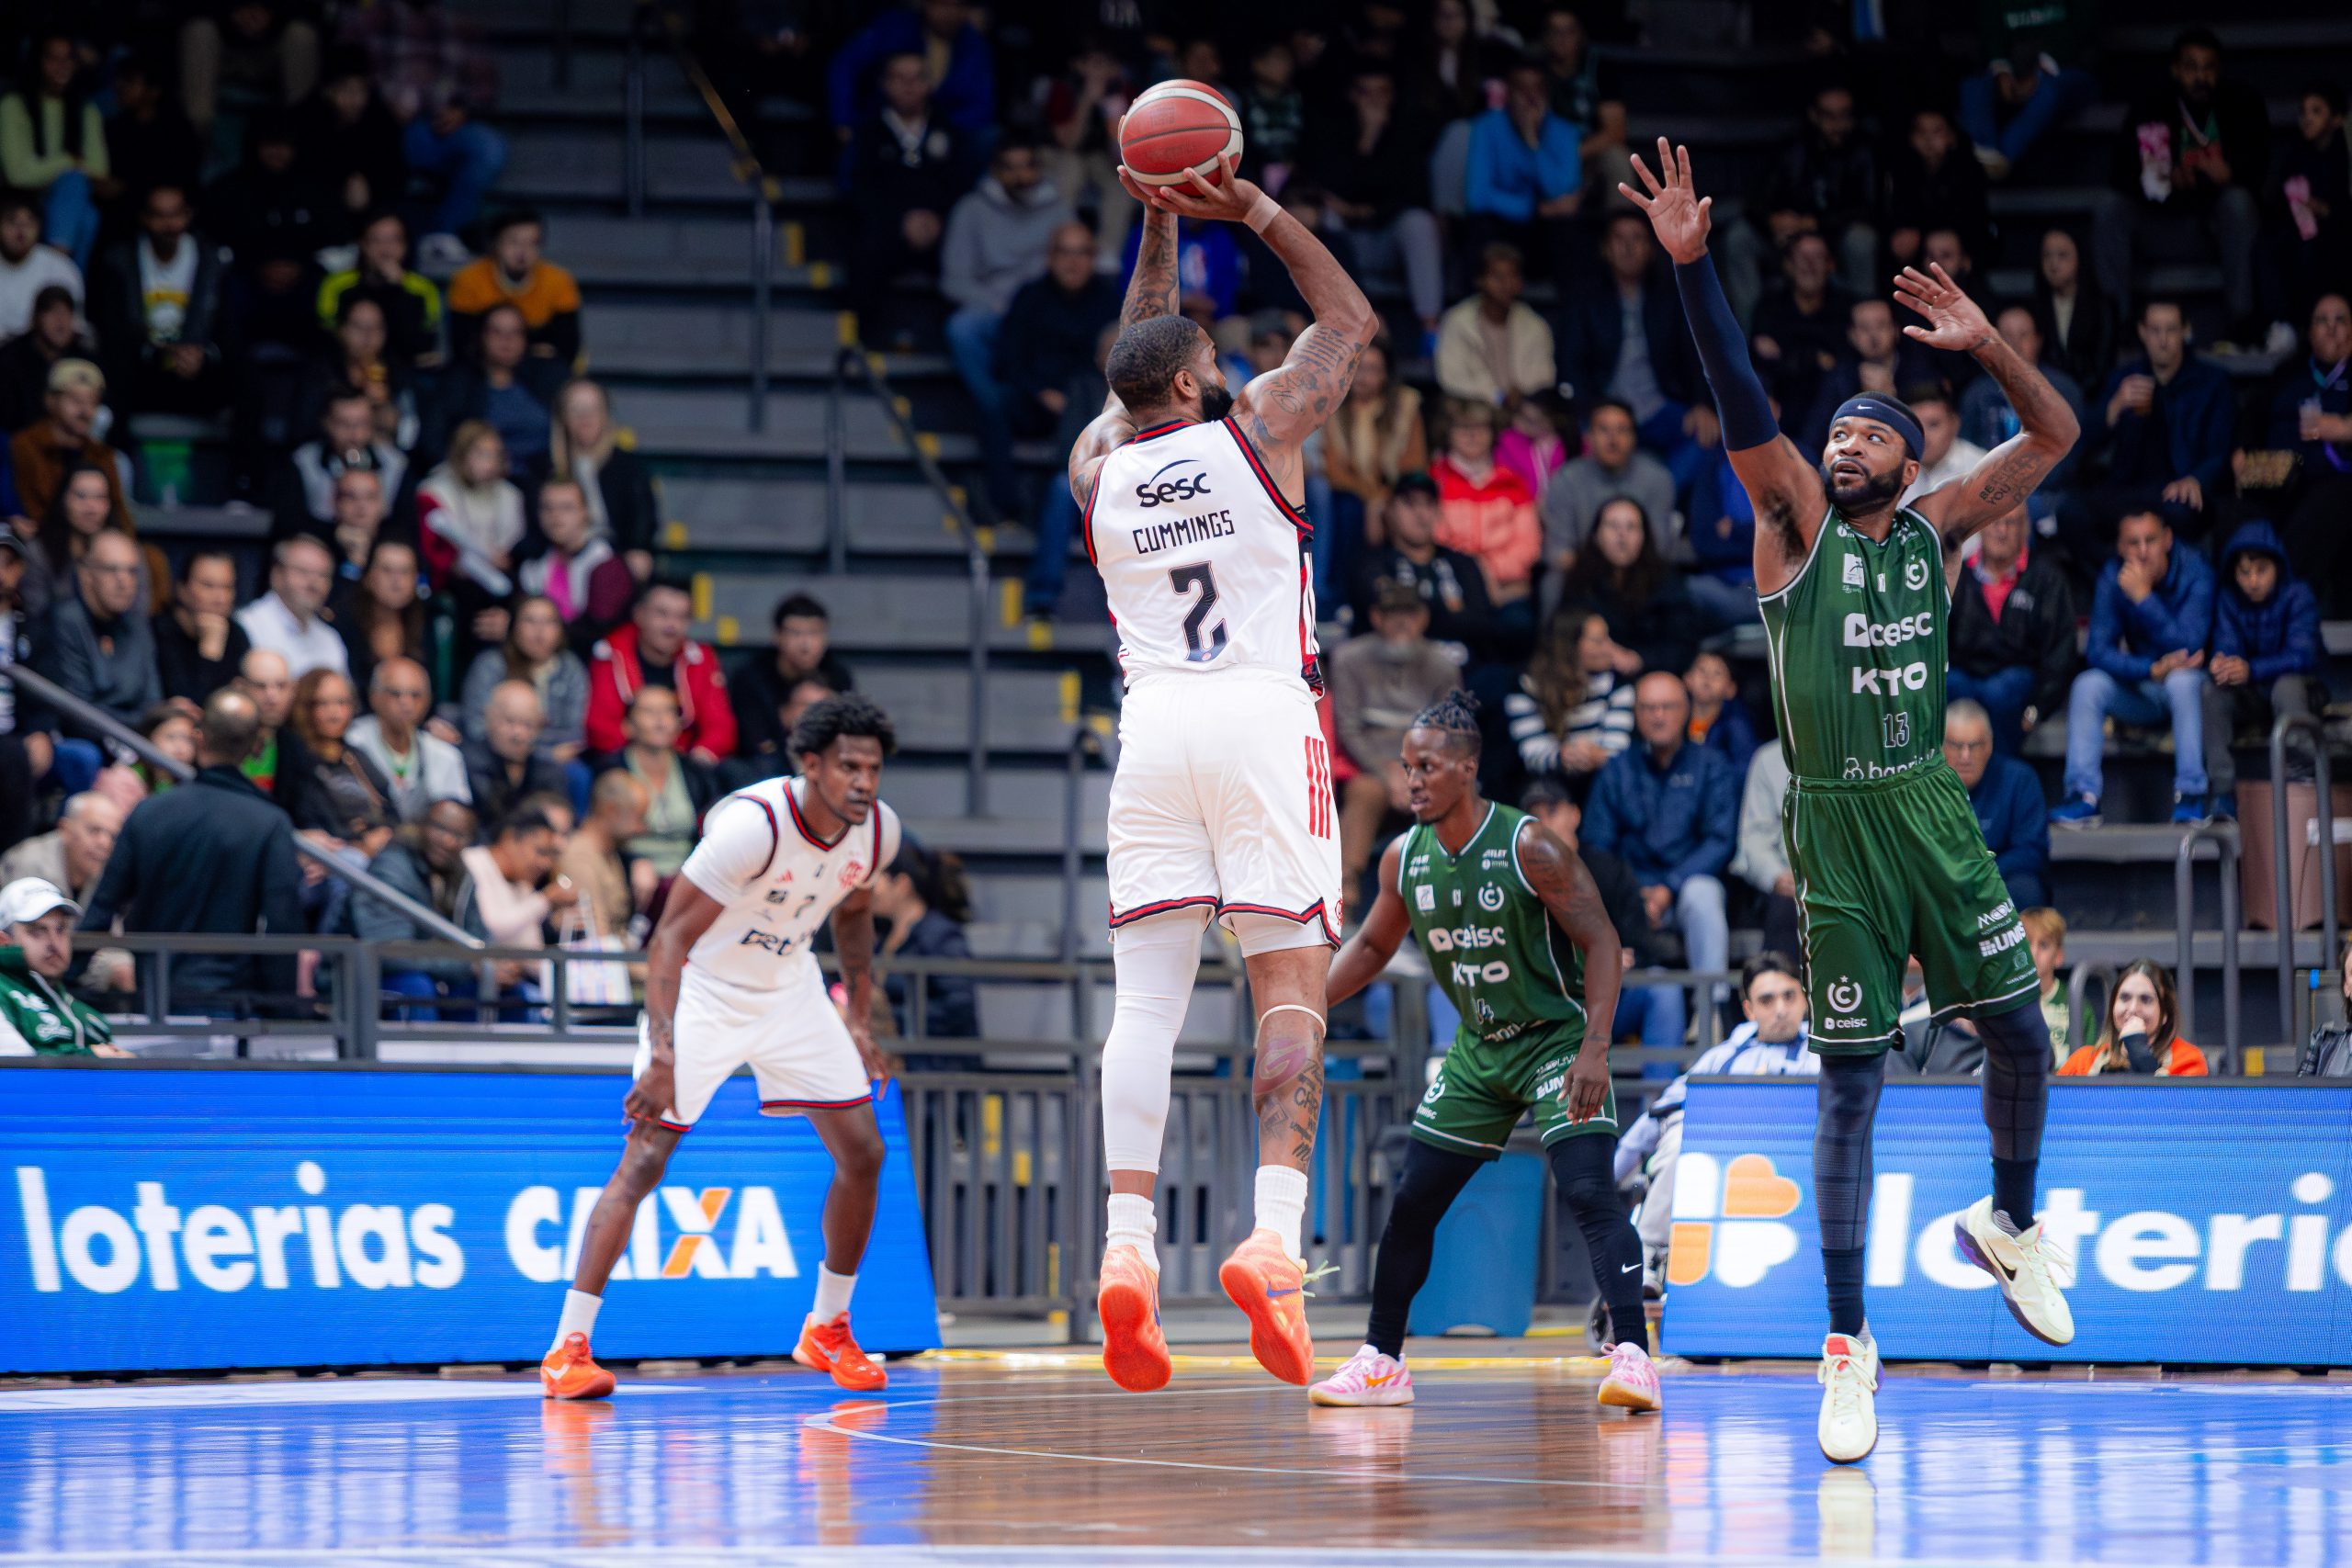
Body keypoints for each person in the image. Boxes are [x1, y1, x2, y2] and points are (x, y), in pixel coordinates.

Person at [1627, 134, 2083, 1461]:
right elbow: (1737, 394)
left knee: (2022, 1039)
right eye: (1831, 433)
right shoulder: (1791, 525)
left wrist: (1989, 346)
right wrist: (1693, 266)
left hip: (1929, 807)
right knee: (1850, 1089)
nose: (1838, 445)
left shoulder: (1939, 528)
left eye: (1864, 434)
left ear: (1908, 458)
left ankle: (2008, 1220)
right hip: (1833, 822)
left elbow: (2057, 433)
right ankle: (1845, 1345)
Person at [1066, 155, 1378, 1393]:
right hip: (1259, 714)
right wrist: (1244, 206)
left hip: (1152, 731)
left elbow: (1134, 355)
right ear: (1198, 381)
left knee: (1144, 1006)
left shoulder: (1097, 465)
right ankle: (1273, 1240)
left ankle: (1124, 1246)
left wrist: (1154, 214)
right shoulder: (1260, 429)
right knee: (1288, 989)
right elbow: (1348, 318)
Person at [542, 696, 905, 1401]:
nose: (864, 782)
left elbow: (856, 913)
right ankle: (567, 1347)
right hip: (703, 989)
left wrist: (859, 1021)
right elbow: (669, 939)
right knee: (644, 1159)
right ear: (811, 764)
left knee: (864, 1151)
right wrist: (664, 1054)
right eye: (849, 767)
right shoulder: (755, 825)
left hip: (790, 986)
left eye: (873, 768)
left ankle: (828, 1327)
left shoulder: (877, 831)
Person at [1308, 693, 1660, 1413]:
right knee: (1413, 1201)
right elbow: (1372, 946)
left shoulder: (1530, 847)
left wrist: (1595, 1047)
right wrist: (1303, 1009)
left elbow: (1601, 940)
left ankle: (1633, 1353)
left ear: (1467, 769)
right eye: (1407, 767)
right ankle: (1382, 1359)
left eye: (1427, 767)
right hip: (1480, 1049)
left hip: (1556, 1038)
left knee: (1590, 1192)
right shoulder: (1404, 857)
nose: (1411, 780)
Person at [77, 688, 305, 1011]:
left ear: (199, 738)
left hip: (152, 1001)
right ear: (256, 746)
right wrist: (282, 1009)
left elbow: (102, 907)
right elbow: (282, 924)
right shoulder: (269, 823)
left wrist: (63, 980)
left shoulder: (148, 813)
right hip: (229, 1005)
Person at [1615, 953, 1815, 1266]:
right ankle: (1650, 1258)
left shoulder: (1826, 1056)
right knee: (1679, 1136)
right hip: (1724, 1165)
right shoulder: (1722, 1058)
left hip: (1799, 1164)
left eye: (1789, 996)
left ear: (1804, 999)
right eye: (1767, 1000)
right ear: (1749, 1009)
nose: (1780, 1009)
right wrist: (1609, 1176)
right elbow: (1662, 1110)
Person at [2094, 28, 2267, 336]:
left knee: (2239, 203)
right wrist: (2158, 180)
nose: (2201, 77)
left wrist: (2230, 174)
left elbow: (2260, 169)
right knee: (2110, 207)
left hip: (2213, 231)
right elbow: (2119, 172)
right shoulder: (2151, 107)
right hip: (2157, 224)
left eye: (2208, 67)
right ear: (2175, 70)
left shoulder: (2241, 104)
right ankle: (2116, 325)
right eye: (2191, 67)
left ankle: (2243, 323)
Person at [1579, 671, 1735, 1011]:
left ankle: (1711, 1012)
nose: (1658, 716)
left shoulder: (1711, 765)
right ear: (1636, 714)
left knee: (1704, 894)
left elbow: (1720, 840)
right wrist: (1633, 895)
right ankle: (1608, 1015)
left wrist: (1669, 887)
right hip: (1628, 895)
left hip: (1685, 891)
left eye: (1668, 706)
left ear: (1686, 710)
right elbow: (1596, 844)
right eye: (1648, 708)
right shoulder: (1617, 770)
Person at [2052, 509, 2216, 827]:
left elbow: (2189, 647)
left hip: (2193, 696)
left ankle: (2191, 793)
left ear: (2167, 539)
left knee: (2182, 681)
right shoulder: (2114, 575)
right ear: (2119, 547)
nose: (2142, 551)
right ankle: (2083, 796)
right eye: (2132, 542)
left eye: (2150, 540)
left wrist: (2144, 599)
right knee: (2088, 684)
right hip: (2145, 685)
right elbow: (2098, 651)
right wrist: (2150, 669)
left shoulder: (2196, 572)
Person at [941, 137, 1070, 515]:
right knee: (962, 328)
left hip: (1044, 311)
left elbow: (1074, 264)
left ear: (1038, 169)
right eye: (1009, 167)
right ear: (995, 171)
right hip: (994, 308)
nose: (1019, 175)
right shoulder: (972, 209)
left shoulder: (1058, 209)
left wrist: (1032, 307)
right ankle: (995, 405)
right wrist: (996, 304)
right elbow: (953, 280)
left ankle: (1022, 412)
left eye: (1026, 165)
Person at [2061, 299, 2233, 561]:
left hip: (2178, 488)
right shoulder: (2125, 377)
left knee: (2181, 513)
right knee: (2070, 513)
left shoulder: (2212, 382)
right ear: (2142, 332)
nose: (2162, 340)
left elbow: (2220, 450)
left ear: (2185, 331)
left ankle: (2152, 573)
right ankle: (2116, 572)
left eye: (2171, 330)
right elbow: (2084, 440)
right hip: (2126, 490)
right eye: (2155, 330)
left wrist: (2196, 479)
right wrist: (2114, 407)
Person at [342, 0, 507, 258]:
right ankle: (362, 239)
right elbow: (343, 71)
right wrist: (379, 102)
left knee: (488, 146)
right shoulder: (369, 22)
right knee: (374, 138)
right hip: (379, 123)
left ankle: (444, 232)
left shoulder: (459, 27)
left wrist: (463, 109)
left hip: (439, 126)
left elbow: (485, 86)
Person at [1329, 580, 1458, 897]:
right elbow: (1348, 729)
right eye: (1392, 614)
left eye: (1410, 614)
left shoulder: (1443, 665)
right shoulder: (1349, 658)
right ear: (1376, 617)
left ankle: (1453, 892)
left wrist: (1416, 771)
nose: (1402, 622)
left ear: (1423, 618)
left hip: (1424, 764)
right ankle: (1344, 889)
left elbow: (1449, 733)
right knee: (1365, 791)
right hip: (1369, 764)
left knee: (1453, 793)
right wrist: (1387, 772)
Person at [1302, 63, 1444, 340]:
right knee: (1323, 217)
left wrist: (1363, 211)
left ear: (1393, 96)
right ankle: (1331, 325)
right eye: (1366, 93)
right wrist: (1367, 139)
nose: (1375, 101)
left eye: (1382, 93)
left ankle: (1429, 330)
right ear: (1352, 95)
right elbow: (1326, 190)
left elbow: (1413, 196)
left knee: (1418, 223)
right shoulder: (1332, 131)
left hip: (1386, 241)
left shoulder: (1405, 135)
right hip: (1341, 244)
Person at [840, 52, 973, 345]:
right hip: (888, 229)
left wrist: (937, 218)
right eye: (899, 78)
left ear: (929, 84)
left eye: (917, 78)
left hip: (941, 229)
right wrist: (901, 220)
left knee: (969, 244)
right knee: (865, 247)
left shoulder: (948, 130)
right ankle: (865, 342)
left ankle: (948, 340)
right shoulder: (868, 133)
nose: (909, 86)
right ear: (885, 84)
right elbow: (860, 189)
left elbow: (961, 185)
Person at [1566, 214, 1712, 468]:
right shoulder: (1585, 299)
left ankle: (1657, 489)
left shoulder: (1671, 297)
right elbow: (1571, 362)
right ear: (1605, 249)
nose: (1628, 247)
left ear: (1651, 249)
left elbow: (1695, 354)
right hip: (1606, 410)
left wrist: (1701, 404)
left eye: (1637, 238)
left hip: (1660, 407)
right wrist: (1586, 414)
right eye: (1619, 239)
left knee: (1710, 438)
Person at [2203, 520, 2324, 805]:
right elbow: (2226, 643)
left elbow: (2302, 656)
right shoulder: (2229, 598)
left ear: (2277, 567)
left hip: (2302, 691)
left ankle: (2303, 778)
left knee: (2286, 687)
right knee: (2211, 691)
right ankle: (2222, 793)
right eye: (2244, 572)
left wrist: (2251, 670)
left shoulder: (2298, 595)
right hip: (2252, 694)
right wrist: (2223, 664)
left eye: (2261, 570)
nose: (2253, 581)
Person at [87, 184, 229, 420]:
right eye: (160, 216)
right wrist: (156, 352)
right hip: (141, 368)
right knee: (113, 365)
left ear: (188, 215)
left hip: (197, 366)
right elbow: (114, 329)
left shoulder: (210, 259)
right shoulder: (121, 261)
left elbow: (223, 324)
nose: (169, 225)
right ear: (145, 218)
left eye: (175, 214)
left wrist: (202, 352)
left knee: (240, 367)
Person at [1946, 504, 2075, 757]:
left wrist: (2038, 708)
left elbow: (2060, 654)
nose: (2002, 531)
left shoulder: (2047, 578)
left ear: (2025, 528)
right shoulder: (1956, 575)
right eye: (1995, 522)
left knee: (2004, 688)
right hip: (1965, 680)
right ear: (1981, 528)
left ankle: (1994, 771)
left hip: (2016, 686)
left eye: (2011, 523)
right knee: (1952, 683)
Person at [348, 797, 487, 1013]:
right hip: (361, 977)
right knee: (416, 987)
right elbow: (391, 952)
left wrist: (494, 964)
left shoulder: (460, 874)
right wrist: (467, 966)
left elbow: (478, 934)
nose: (449, 841)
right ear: (420, 825)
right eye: (441, 828)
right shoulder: (391, 869)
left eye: (459, 835)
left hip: (433, 973)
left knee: (509, 991)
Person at [2258, 294, 2352, 610]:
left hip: (2335, 479)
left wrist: (2342, 428)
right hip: (2282, 471)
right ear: (2310, 333)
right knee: (2236, 508)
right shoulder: (2290, 375)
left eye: (2340, 320)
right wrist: (2241, 453)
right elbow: (2257, 420)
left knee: (2328, 502)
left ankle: (2285, 603)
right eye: (2322, 321)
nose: (2331, 328)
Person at [1539, 398, 1678, 596]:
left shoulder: (1657, 479)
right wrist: (1602, 574)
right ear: (1589, 437)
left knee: (1669, 585)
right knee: (1554, 583)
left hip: (1641, 574)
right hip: (1583, 575)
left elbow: (1659, 548)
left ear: (1634, 437)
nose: (1613, 440)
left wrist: (1621, 572)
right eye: (1603, 430)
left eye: (1622, 430)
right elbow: (1559, 552)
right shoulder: (1566, 479)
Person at [1462, 61, 1583, 287]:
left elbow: (1562, 192)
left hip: (1541, 235)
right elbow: (1477, 197)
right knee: (1479, 226)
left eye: (1536, 89)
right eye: (1522, 89)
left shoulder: (1565, 132)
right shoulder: (1486, 127)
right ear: (1509, 94)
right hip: (1503, 227)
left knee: (1567, 229)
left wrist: (1533, 143)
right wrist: (1532, 208)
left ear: (1546, 94)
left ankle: (1573, 306)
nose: (1530, 98)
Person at [39, 529, 161, 743]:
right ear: (86, 575)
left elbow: (153, 702)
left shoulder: (138, 624)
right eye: (111, 570)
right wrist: (143, 722)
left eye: (132, 571)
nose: (123, 580)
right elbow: (77, 714)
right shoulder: (65, 622)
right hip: (85, 742)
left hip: (134, 743)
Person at [0, 35, 110, 270]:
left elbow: (99, 171)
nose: (62, 66)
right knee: (86, 213)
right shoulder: (14, 105)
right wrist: (70, 161)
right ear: (37, 62)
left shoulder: (86, 110)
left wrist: (52, 171)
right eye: (52, 58)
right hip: (24, 201)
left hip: (69, 199)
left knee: (80, 198)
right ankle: (60, 276)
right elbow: (17, 175)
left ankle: (54, 270)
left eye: (68, 59)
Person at [1430, 397, 1542, 628]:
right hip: (1451, 584)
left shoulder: (1513, 483)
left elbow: (1528, 545)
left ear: (1493, 433)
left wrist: (1490, 571)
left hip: (1506, 586)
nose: (1472, 435)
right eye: (1463, 428)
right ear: (1448, 433)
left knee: (1518, 625)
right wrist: (1473, 574)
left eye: (1481, 428)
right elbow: (1434, 538)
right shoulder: (1434, 480)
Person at [1555, 498, 1697, 679]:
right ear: (1596, 536)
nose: (1622, 535)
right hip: (1587, 676)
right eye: (1613, 526)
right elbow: (1562, 634)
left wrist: (1639, 659)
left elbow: (1683, 645)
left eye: (1631, 527)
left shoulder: (1666, 580)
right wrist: (1601, 650)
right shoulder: (1579, 579)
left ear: (1644, 536)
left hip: (1650, 676)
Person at [596, 687, 716, 879]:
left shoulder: (694, 772)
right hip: (628, 873)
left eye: (668, 711)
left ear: (679, 724)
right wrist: (632, 861)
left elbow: (711, 828)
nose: (660, 721)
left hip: (690, 873)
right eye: (649, 711)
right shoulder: (610, 769)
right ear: (628, 725)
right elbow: (600, 832)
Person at [1506, 609, 1636, 783]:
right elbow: (1532, 752)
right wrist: (1564, 756)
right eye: (1599, 641)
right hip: (1548, 780)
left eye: (1608, 638)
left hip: (1604, 778)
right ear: (1570, 647)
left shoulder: (1617, 686)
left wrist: (1597, 756)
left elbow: (1618, 748)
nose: (1610, 648)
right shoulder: (1526, 687)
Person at [0, 877, 127, 1055]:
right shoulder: (3, 994)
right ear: (3, 942)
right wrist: (93, 1057)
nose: (54, 943)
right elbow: (15, 1066)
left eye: (60, 929)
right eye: (37, 932)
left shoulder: (90, 1017)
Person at [429, 307, 561, 476]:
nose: (507, 340)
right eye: (496, 332)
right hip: (478, 479)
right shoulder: (458, 383)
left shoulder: (545, 378)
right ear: (481, 337)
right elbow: (434, 440)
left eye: (515, 332)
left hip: (543, 477)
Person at [1944, 699, 2049, 911]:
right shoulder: (1922, 788)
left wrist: (1979, 877)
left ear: (1989, 746)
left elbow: (2031, 850)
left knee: (2026, 888)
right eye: (1956, 745)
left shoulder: (2020, 779)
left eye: (1974, 746)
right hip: (1942, 879)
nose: (1965, 756)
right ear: (1940, 746)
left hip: (1999, 878)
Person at [870, 840, 979, 1043]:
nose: (870, 886)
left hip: (935, 1058)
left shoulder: (940, 935)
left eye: (879, 876)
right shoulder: (882, 938)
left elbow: (958, 1006)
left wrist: (888, 1020)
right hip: (894, 1055)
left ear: (902, 884)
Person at [548, 379, 659, 578]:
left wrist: (637, 550)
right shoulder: (546, 467)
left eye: (593, 409)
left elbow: (643, 521)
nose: (585, 417)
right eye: (576, 409)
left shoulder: (628, 466)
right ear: (563, 416)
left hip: (614, 558)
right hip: (559, 556)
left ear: (606, 414)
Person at [462, 595, 589, 763]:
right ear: (514, 626)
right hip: (494, 757)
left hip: (557, 762)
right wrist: (545, 754)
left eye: (549, 622)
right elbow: (476, 727)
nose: (540, 631)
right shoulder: (491, 665)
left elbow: (573, 733)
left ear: (561, 630)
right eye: (530, 621)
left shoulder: (570, 667)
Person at [277, 667, 394, 844]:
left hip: (380, 845)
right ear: (305, 707)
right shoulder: (294, 757)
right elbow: (305, 817)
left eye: (342, 703)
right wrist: (356, 842)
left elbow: (391, 808)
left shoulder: (354, 756)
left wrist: (380, 834)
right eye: (323, 703)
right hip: (330, 851)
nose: (334, 713)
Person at [10, 361, 128, 537]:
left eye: (92, 402)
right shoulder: (26, 446)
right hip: (41, 541)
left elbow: (118, 514)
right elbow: (28, 510)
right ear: (50, 400)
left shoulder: (101, 454)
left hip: (94, 543)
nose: (85, 411)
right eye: (76, 401)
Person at [271, 391, 410, 540]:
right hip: (319, 545)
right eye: (344, 424)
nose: (355, 435)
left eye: (362, 423)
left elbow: (405, 526)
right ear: (326, 422)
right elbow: (288, 525)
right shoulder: (303, 462)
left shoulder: (395, 464)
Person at [447, 211, 581, 365]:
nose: (523, 251)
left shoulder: (559, 281)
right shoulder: (467, 280)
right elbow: (461, 346)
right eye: (514, 242)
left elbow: (567, 348)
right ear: (495, 243)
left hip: (537, 368)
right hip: (481, 366)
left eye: (532, 243)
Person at [347, 657, 469, 825]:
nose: (406, 703)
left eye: (416, 695)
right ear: (374, 696)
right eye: (395, 694)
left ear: (428, 701)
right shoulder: (351, 743)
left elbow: (457, 819)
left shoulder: (446, 756)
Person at [519, 479, 633, 657]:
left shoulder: (606, 564)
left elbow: (597, 629)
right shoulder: (532, 562)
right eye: (547, 508)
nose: (556, 516)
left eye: (567, 508)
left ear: (585, 512)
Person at [1434, 243, 1555, 408]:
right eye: (1498, 277)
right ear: (1480, 280)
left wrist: (1520, 396)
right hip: (1472, 409)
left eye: (1513, 276)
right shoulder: (1457, 321)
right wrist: (1497, 397)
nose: (1507, 284)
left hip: (1523, 411)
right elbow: (1451, 378)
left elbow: (1544, 377)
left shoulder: (1535, 326)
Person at [461, 806, 577, 958]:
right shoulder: (473, 863)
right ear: (510, 838)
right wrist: (546, 899)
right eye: (540, 852)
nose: (545, 864)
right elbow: (491, 930)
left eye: (550, 855)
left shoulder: (523, 883)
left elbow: (531, 948)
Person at [2059, 958, 2207, 1076]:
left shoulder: (2188, 1060)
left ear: (2165, 1014)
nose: (2133, 1009)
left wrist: (2137, 1049)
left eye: (2146, 999)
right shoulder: (2083, 1062)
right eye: (2124, 998)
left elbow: (2159, 1102)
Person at [237, 535, 348, 680]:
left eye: (323, 575)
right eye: (303, 572)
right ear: (277, 575)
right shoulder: (246, 626)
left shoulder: (330, 638)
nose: (314, 583)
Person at [1729, 739, 1802, 959]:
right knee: (1785, 908)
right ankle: (1779, 981)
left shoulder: (1864, 752)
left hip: (1849, 880)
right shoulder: (1769, 758)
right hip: (1788, 882)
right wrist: (1777, 876)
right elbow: (1754, 838)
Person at [560, 769, 648, 946]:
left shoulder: (610, 851)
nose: (642, 829)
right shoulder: (580, 858)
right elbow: (597, 942)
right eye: (638, 817)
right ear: (611, 810)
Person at [465, 680, 567, 830]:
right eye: (510, 721)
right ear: (489, 717)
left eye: (528, 725)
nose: (518, 734)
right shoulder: (467, 763)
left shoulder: (549, 773)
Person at [334, 536, 426, 697]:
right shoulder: (343, 624)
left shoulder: (427, 625)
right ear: (368, 577)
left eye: (405, 571)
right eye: (387, 570)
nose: (397, 581)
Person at [0, 792, 123, 907]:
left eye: (113, 836)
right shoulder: (28, 864)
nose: (105, 843)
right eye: (94, 830)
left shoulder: (110, 875)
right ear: (65, 829)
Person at [0, 284, 91, 434]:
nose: (61, 321)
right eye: (52, 312)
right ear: (36, 318)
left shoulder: (84, 358)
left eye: (67, 313)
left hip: (76, 440)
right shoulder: (10, 359)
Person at [0, 196, 83, 344]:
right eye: (12, 222)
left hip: (44, 352)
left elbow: (73, 327)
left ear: (39, 227)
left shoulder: (61, 268)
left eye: (29, 223)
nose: (21, 232)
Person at [1896, 387, 1986, 505]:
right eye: (1914, 426)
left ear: (1955, 424)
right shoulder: (1894, 468)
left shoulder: (1983, 469)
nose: (1924, 436)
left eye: (1933, 424)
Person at [1685, 650, 1757, 779]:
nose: (1707, 678)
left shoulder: (1737, 727)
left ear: (1731, 689)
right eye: (1702, 670)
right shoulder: (1674, 718)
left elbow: (1744, 772)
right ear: (1687, 679)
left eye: (1717, 673)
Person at [234, 649, 294, 795]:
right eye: (260, 686)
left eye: (281, 685)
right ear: (240, 687)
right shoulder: (220, 740)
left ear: (293, 688)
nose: (272, 697)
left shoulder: (302, 746)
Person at [2020, 906, 2071, 1062]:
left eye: (2043, 945)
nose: (2033, 952)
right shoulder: (2002, 1002)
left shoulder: (2075, 1005)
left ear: (2058, 956)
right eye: (2026, 943)